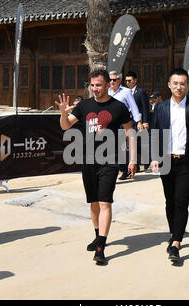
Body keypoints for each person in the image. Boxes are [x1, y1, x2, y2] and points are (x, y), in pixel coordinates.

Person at [57, 69, 137, 264]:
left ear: (108, 85)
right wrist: (62, 112)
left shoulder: (118, 107)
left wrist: (133, 159)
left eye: (98, 85)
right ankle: (97, 235)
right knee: (93, 202)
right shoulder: (84, 105)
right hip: (89, 160)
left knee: (105, 202)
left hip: (110, 160)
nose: (95, 89)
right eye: (92, 85)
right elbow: (66, 126)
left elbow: (130, 133)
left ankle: (101, 246)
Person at [149, 68, 189, 262]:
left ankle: (176, 243)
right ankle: (173, 233)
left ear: (187, 86)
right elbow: (154, 134)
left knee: (181, 200)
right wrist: (153, 157)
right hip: (166, 160)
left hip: (187, 160)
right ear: (169, 85)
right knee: (170, 201)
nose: (178, 87)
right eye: (175, 83)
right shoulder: (160, 108)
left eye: (182, 83)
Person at [108, 71, 142, 180]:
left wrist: (139, 121)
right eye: (110, 79)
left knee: (121, 147)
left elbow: (133, 106)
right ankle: (114, 169)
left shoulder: (126, 92)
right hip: (109, 124)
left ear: (119, 80)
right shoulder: (107, 91)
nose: (112, 82)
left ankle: (124, 170)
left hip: (123, 123)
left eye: (114, 79)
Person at [125, 71, 150, 171]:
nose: (128, 83)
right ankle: (136, 165)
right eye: (126, 81)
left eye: (130, 81)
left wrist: (145, 121)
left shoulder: (140, 92)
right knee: (131, 144)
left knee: (140, 143)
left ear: (135, 80)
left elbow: (145, 107)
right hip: (128, 122)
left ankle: (147, 164)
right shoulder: (125, 92)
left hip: (138, 122)